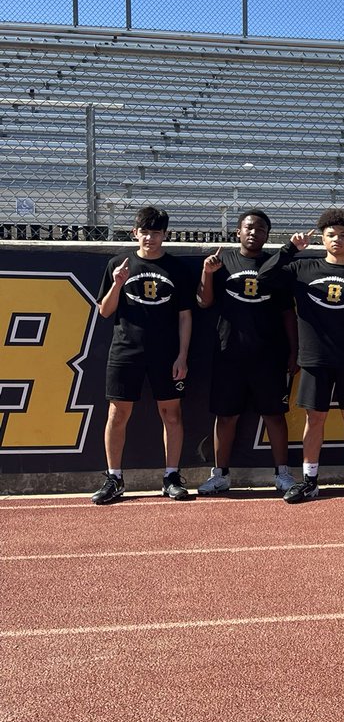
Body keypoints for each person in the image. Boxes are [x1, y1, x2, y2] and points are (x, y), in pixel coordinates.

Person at [257, 208, 344, 503]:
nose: (337, 239)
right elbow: (264, 277)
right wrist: (290, 249)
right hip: (315, 360)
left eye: (343, 235)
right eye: (331, 234)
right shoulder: (302, 269)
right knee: (315, 419)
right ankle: (310, 480)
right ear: (322, 239)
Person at [91, 206, 196, 504]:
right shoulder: (118, 263)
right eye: (145, 232)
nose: (150, 238)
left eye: (156, 233)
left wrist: (182, 356)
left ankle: (171, 476)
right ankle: (115, 478)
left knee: (171, 414)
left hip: (166, 354)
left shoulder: (176, 269)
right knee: (118, 413)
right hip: (126, 350)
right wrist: (118, 282)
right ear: (135, 232)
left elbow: (185, 317)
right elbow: (105, 311)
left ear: (165, 235)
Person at [194, 209, 299, 496]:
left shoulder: (277, 264)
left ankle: (283, 474)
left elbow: (288, 313)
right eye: (249, 228)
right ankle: (220, 474)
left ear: (267, 235)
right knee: (226, 416)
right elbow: (204, 302)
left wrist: (293, 351)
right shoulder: (222, 261)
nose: (254, 233)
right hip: (229, 353)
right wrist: (207, 271)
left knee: (274, 415)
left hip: (269, 354)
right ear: (238, 231)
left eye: (261, 229)